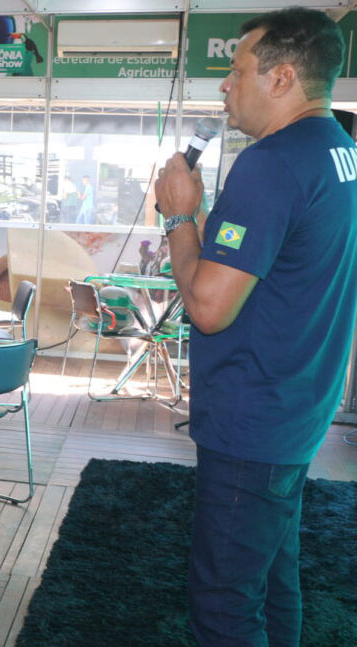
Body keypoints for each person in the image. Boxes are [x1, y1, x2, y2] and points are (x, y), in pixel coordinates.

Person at [152, 9, 357, 647]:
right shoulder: (340, 151)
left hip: (254, 416)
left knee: (225, 604)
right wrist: (205, 217)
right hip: (300, 404)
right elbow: (266, 261)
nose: (224, 85)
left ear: (281, 77)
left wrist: (179, 218)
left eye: (236, 70)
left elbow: (209, 306)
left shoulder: (269, 165)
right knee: (273, 581)